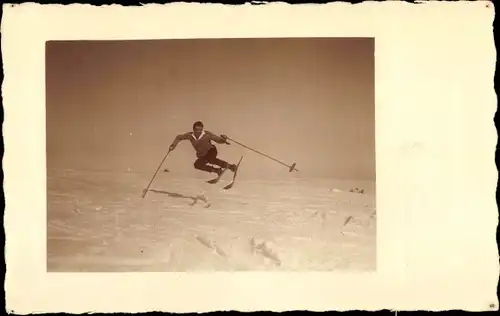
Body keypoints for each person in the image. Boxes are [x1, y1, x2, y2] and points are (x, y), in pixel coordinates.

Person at [169, 121, 237, 176]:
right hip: (202, 155)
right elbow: (179, 137)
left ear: (202, 129)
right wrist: (173, 145)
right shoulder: (190, 136)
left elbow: (218, 140)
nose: (198, 131)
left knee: (211, 159)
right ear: (193, 129)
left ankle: (231, 167)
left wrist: (223, 139)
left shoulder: (207, 134)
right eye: (196, 130)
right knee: (197, 165)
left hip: (211, 150)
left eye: (200, 130)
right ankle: (217, 170)